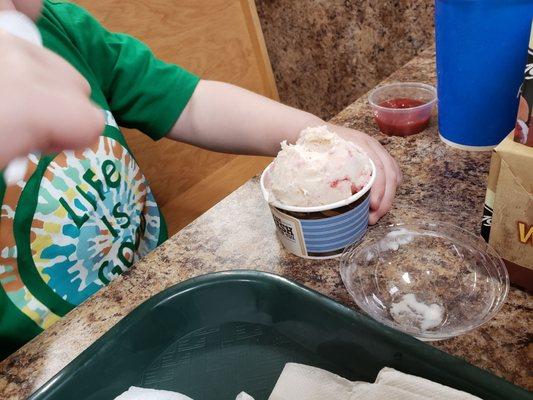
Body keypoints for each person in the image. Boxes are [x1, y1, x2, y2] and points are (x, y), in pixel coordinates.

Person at [0, 0, 401, 359]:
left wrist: (315, 133)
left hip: (161, 298)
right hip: (48, 360)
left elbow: (189, 104)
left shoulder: (59, 25)